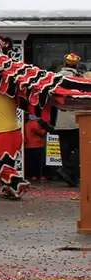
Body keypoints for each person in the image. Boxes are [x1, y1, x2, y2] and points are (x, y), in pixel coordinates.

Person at [0, 78, 29, 199]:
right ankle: (9, 187)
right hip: (11, 132)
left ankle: (18, 183)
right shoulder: (11, 93)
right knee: (6, 164)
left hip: (3, 133)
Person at [56, 53, 81, 187]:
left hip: (60, 119)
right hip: (73, 118)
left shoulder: (57, 76)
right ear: (76, 65)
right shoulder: (76, 78)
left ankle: (70, 176)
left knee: (65, 150)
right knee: (79, 147)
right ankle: (69, 170)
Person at [24, 114, 49, 181]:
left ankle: (32, 175)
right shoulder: (36, 123)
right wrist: (44, 131)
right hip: (38, 144)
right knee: (39, 162)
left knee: (31, 162)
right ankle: (40, 175)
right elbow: (39, 131)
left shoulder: (27, 123)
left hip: (29, 145)